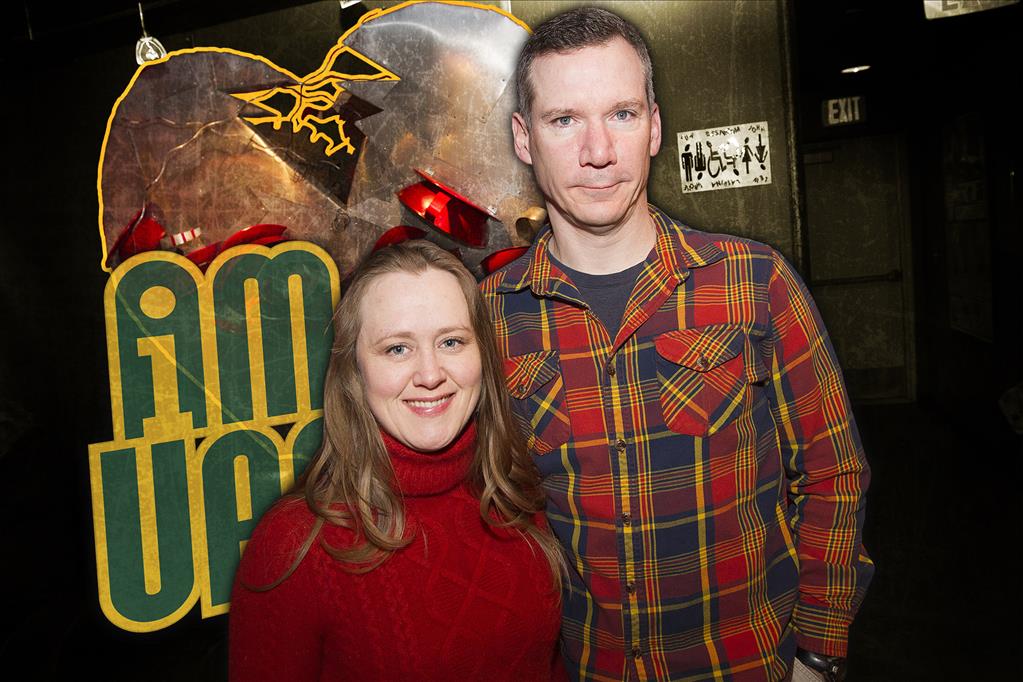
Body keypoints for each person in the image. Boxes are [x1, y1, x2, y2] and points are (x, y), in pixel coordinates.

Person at [480, 7, 873, 681]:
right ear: (524, 138)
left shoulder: (754, 282)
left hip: (748, 666)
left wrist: (818, 652)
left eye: (622, 114)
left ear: (655, 126)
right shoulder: (490, 316)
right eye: (564, 119)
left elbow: (833, 471)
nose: (597, 151)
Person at [229, 240, 566, 681]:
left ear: (482, 354)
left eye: (451, 341)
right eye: (397, 349)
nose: (430, 375)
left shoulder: (512, 492)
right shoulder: (294, 544)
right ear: (354, 370)